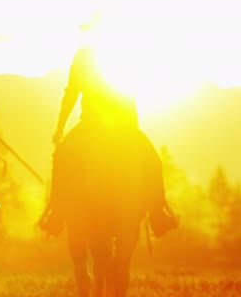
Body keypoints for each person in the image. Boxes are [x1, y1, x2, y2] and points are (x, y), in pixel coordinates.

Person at [38, 14, 177, 237]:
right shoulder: (111, 55)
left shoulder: (86, 56)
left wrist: (60, 128)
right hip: (118, 127)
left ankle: (57, 211)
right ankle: (158, 213)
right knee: (152, 161)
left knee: (62, 158)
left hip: (98, 125)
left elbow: (72, 93)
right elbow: (127, 92)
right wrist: (134, 126)